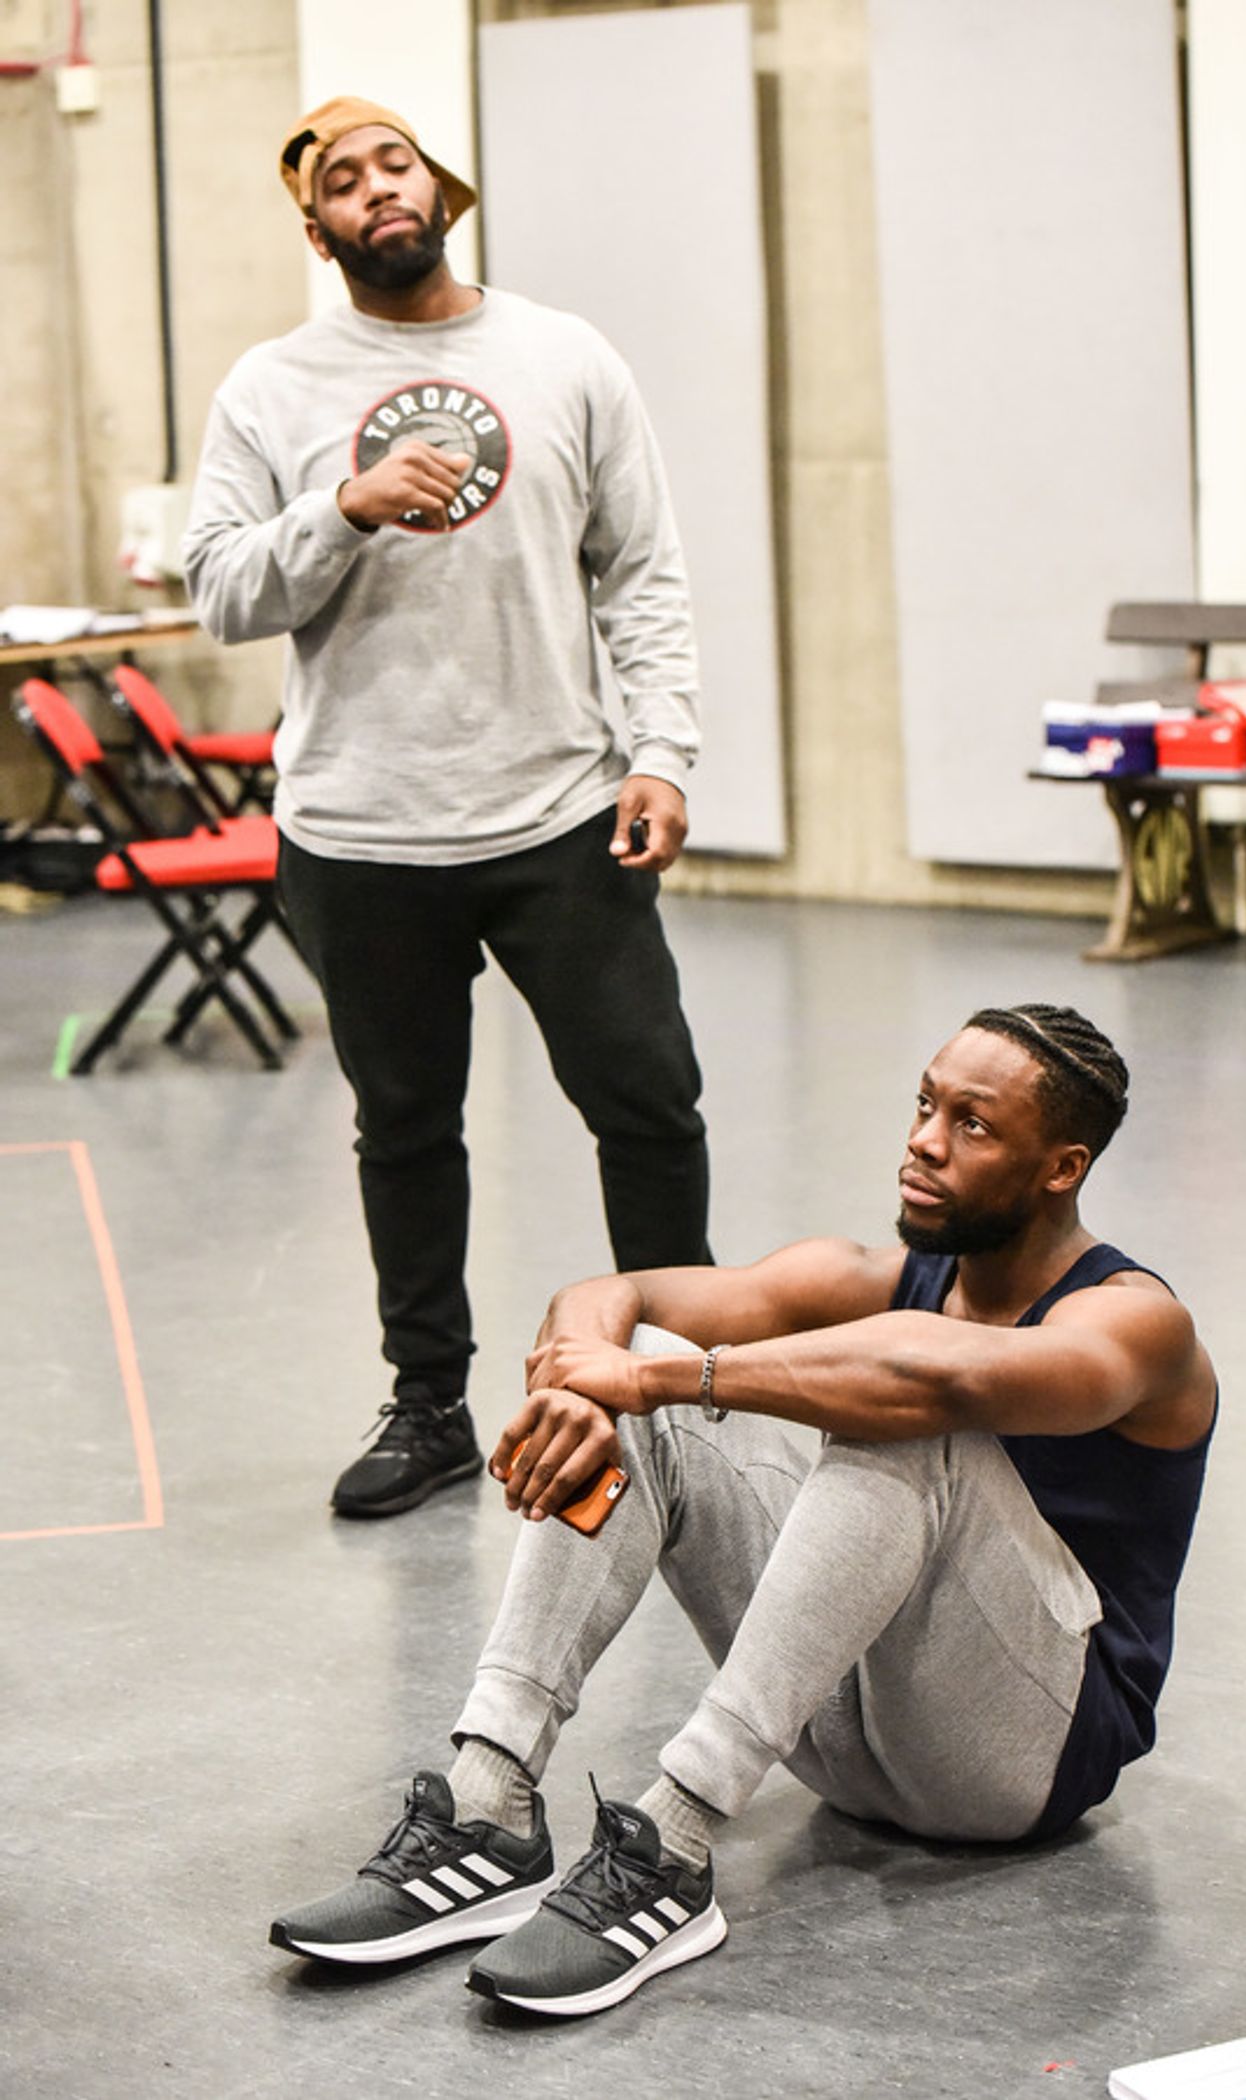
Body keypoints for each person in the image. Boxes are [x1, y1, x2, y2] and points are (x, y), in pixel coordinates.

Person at [268, 1002, 1218, 2018]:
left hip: (1022, 1762)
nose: (922, 1142)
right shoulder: (875, 1276)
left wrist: (673, 1379)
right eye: (924, 1105)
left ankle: (674, 1836)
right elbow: (610, 1293)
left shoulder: (1135, 1322)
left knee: (897, 1407)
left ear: (1059, 1169)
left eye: (971, 1125)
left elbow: (931, 1382)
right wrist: (580, 1393)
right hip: (841, 1737)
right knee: (636, 1381)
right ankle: (488, 1800)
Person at [182, 98, 712, 1518]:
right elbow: (221, 591)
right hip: (361, 831)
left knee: (649, 1105)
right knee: (405, 1130)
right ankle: (430, 1409)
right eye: (343, 185)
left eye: (392, 165)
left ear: (439, 188)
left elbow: (642, 571)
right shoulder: (271, 388)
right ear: (319, 231)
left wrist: (663, 752)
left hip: (558, 813)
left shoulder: (562, 356)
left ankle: (675, 1385)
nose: (375, 193)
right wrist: (340, 510)